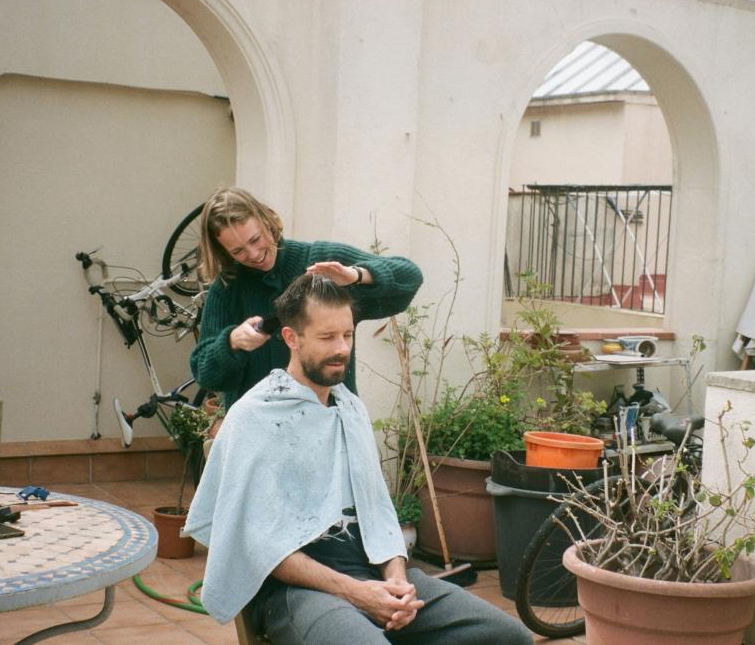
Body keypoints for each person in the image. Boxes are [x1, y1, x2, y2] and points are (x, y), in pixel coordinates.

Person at [184, 275, 533, 644]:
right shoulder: (255, 417)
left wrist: (396, 578)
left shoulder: (349, 408)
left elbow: (377, 511)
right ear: (291, 338)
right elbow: (257, 546)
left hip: (372, 572)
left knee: (507, 637)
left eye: (347, 335)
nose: (341, 349)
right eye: (326, 337)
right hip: (297, 591)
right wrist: (355, 592)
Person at [190, 187, 422, 425]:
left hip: (329, 425)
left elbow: (409, 277)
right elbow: (206, 373)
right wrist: (232, 342)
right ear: (223, 252)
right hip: (259, 432)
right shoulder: (228, 287)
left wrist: (355, 276)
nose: (254, 254)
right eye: (238, 251)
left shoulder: (317, 259)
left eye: (255, 239)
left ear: (266, 220)